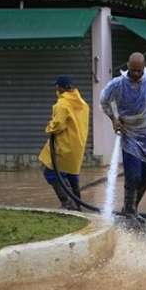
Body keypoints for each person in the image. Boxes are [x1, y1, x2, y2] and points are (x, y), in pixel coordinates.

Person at [99, 52, 146, 223]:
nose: (135, 74)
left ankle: (133, 207)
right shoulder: (117, 84)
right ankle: (129, 211)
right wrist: (113, 119)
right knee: (133, 175)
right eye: (132, 70)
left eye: (139, 71)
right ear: (128, 66)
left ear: (144, 68)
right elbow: (103, 100)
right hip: (129, 134)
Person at [38, 75, 90, 211]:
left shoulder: (62, 104)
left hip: (64, 146)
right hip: (78, 146)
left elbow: (57, 125)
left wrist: (49, 126)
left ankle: (67, 203)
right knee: (72, 175)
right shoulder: (83, 104)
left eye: (57, 87)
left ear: (60, 88)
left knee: (51, 173)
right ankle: (78, 205)